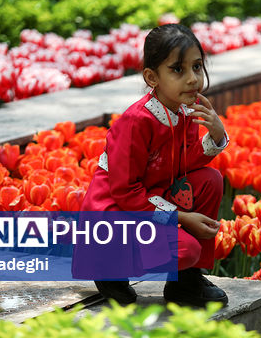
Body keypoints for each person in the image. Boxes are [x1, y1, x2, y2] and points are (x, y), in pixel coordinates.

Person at [75, 23, 230, 307]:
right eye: (178, 69)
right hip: (115, 213)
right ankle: (108, 266)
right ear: (151, 77)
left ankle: (186, 282)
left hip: (148, 202)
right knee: (186, 248)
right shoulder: (137, 122)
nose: (193, 79)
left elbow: (185, 163)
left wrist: (216, 135)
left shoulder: (183, 111)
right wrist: (181, 219)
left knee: (210, 179)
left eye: (197, 67)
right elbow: (125, 192)